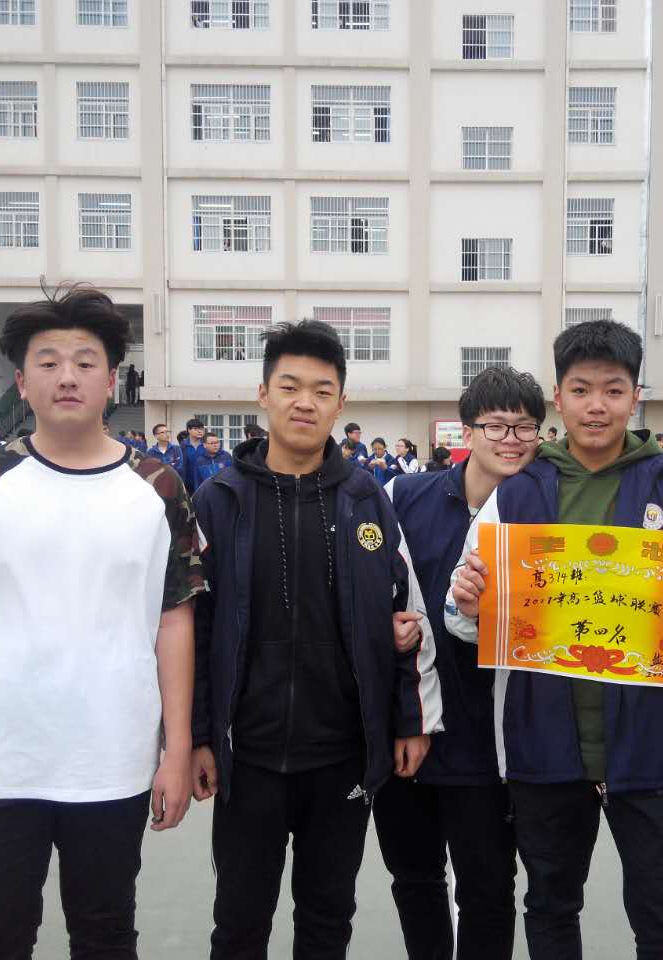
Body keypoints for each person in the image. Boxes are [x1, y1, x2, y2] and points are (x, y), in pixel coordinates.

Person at [0, 285, 204, 959]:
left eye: (85, 361)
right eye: (48, 362)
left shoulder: (158, 487)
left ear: (111, 379)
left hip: (113, 763)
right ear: (21, 381)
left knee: (105, 936)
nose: (67, 376)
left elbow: (174, 623)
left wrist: (177, 748)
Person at [446, 319, 663, 959]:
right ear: (558, 397)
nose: (596, 406)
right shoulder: (517, 496)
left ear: (635, 397)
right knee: (551, 908)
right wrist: (470, 604)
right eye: (581, 390)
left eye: (613, 390)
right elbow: (461, 618)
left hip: (653, 746)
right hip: (544, 745)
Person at [189, 319, 441, 959]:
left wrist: (407, 721)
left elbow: (404, 616)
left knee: (328, 922)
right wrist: (197, 736)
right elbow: (196, 627)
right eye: (290, 386)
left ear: (340, 402)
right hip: (248, 756)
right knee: (238, 924)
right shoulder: (217, 500)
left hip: (341, 757)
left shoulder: (367, 499)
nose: (305, 402)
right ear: (263, 394)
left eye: (322, 391)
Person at [375, 366, 547, 960]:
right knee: (414, 880)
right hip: (410, 732)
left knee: (489, 890)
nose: (511, 439)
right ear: (466, 431)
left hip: (492, 744)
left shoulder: (548, 517)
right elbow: (372, 592)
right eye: (496, 425)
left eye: (525, 427)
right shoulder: (403, 497)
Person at [182, 418, 207, 490]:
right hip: (188, 485)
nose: (200, 431)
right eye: (195, 429)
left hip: (205, 484)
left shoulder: (207, 445)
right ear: (189, 430)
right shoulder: (182, 447)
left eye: (201, 429)